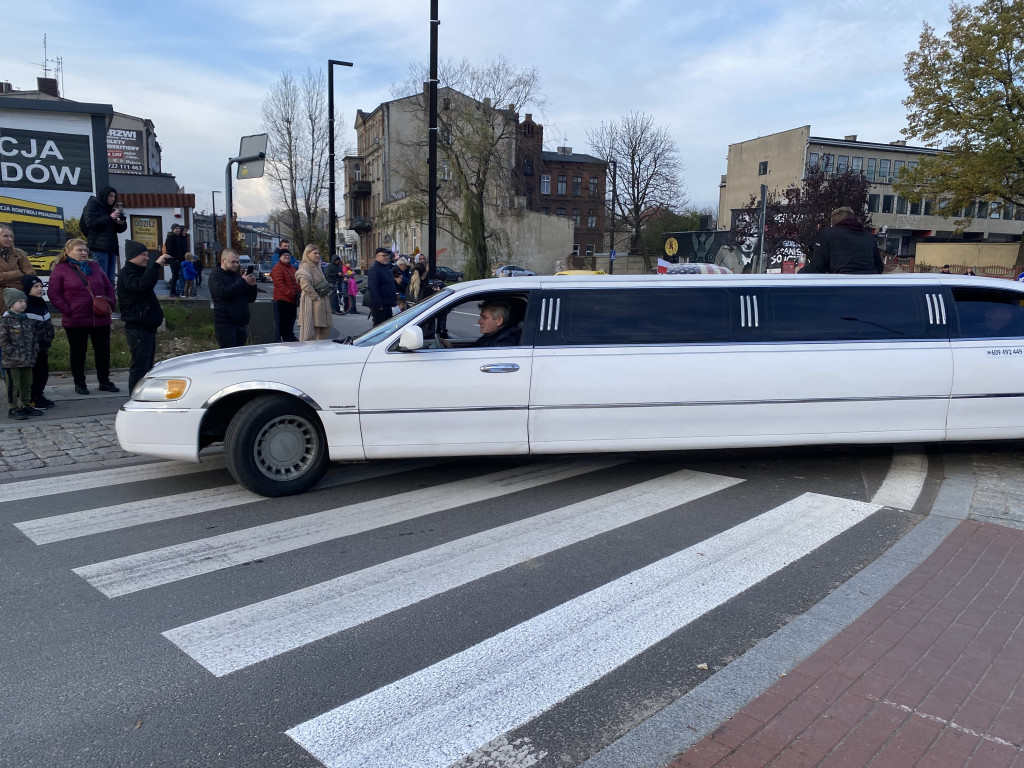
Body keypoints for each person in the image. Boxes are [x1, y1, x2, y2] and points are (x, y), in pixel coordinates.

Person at [48, 238, 118, 395]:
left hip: (100, 317)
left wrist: (110, 304)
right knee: (78, 352)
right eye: (79, 250)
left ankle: (104, 381)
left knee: (103, 351)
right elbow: (53, 293)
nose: (84, 252)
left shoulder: (94, 266)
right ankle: (80, 383)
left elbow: (108, 287)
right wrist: (68, 309)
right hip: (76, 319)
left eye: (85, 250)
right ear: (68, 252)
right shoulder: (61, 269)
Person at [117, 241, 172, 393]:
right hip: (137, 327)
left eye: (148, 255)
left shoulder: (138, 271)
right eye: (144, 255)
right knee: (140, 365)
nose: (147, 258)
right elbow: (142, 285)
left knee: (147, 364)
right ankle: (134, 395)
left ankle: (143, 394)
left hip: (146, 327)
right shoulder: (128, 273)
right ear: (133, 256)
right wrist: (156, 266)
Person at [799, 207, 883, 275]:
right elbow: (879, 266)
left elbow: (817, 267)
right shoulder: (868, 236)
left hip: (842, 283)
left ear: (833, 223)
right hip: (869, 284)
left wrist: (801, 272)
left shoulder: (829, 233)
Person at [1, 288, 40, 419]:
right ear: (11, 304)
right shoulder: (5, 321)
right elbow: (3, 341)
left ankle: (26, 404)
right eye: (20, 301)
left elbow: (34, 339)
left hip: (28, 359)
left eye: (24, 301)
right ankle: (12, 408)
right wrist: (13, 354)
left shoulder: (28, 320)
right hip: (12, 361)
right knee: (13, 385)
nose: (24, 304)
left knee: (27, 383)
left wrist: (34, 353)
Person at [208, 249, 258, 348]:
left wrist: (252, 286)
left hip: (241, 324)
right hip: (226, 325)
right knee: (229, 357)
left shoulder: (237, 275)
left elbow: (250, 298)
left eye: (237, 262)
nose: (236, 265)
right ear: (223, 260)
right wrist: (242, 282)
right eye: (233, 262)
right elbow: (223, 292)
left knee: (240, 357)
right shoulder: (216, 275)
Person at [80, 185, 127, 286]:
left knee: (110, 280)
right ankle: (100, 299)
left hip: (111, 248)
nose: (112, 199)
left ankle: (110, 300)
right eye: (110, 196)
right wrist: (110, 218)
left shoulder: (110, 210)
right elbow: (90, 223)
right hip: (98, 247)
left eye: (114, 196)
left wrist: (121, 223)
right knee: (100, 277)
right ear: (104, 195)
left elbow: (118, 229)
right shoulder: (92, 205)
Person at [21, 275, 55, 409]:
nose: (40, 289)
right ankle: (32, 398)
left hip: (44, 346)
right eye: (36, 287)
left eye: (41, 286)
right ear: (28, 289)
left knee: (43, 373)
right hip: (31, 348)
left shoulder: (42, 304)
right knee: (34, 375)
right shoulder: (26, 306)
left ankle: (39, 395)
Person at [295, 244, 333, 341]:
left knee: (325, 331)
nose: (317, 255)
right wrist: (317, 298)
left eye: (318, 253)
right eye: (315, 253)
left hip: (323, 302)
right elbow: (305, 285)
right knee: (314, 333)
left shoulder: (317, 266)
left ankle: (320, 353)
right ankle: (313, 354)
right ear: (307, 254)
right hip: (313, 303)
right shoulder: (305, 266)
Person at [0, 223, 37, 316]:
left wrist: (5, 280)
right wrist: (18, 273)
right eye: (6, 236)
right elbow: (24, 274)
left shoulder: (20, 254)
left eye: (11, 236)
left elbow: (31, 275)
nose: (10, 239)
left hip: (18, 302)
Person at [270, 249, 299, 342]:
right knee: (284, 320)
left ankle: (290, 335)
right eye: (284, 255)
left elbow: (297, 281)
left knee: (291, 319)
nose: (287, 257)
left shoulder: (292, 268)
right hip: (282, 299)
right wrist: (290, 293)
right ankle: (286, 337)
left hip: (292, 299)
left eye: (288, 255)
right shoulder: (277, 268)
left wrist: (299, 291)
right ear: (280, 257)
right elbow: (279, 284)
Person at [367, 246, 398, 326]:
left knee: (388, 327)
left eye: (387, 256)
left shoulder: (385, 268)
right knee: (380, 327)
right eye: (384, 256)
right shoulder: (374, 269)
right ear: (377, 257)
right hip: (381, 306)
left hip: (388, 304)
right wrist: (379, 305)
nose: (386, 257)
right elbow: (373, 288)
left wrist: (393, 301)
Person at [163, 224, 187, 296]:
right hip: (174, 260)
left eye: (178, 228)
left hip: (179, 260)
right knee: (175, 276)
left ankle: (175, 292)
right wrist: (175, 257)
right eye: (176, 228)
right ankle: (172, 292)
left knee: (176, 276)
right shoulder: (170, 238)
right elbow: (171, 250)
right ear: (173, 229)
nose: (178, 230)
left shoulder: (178, 238)